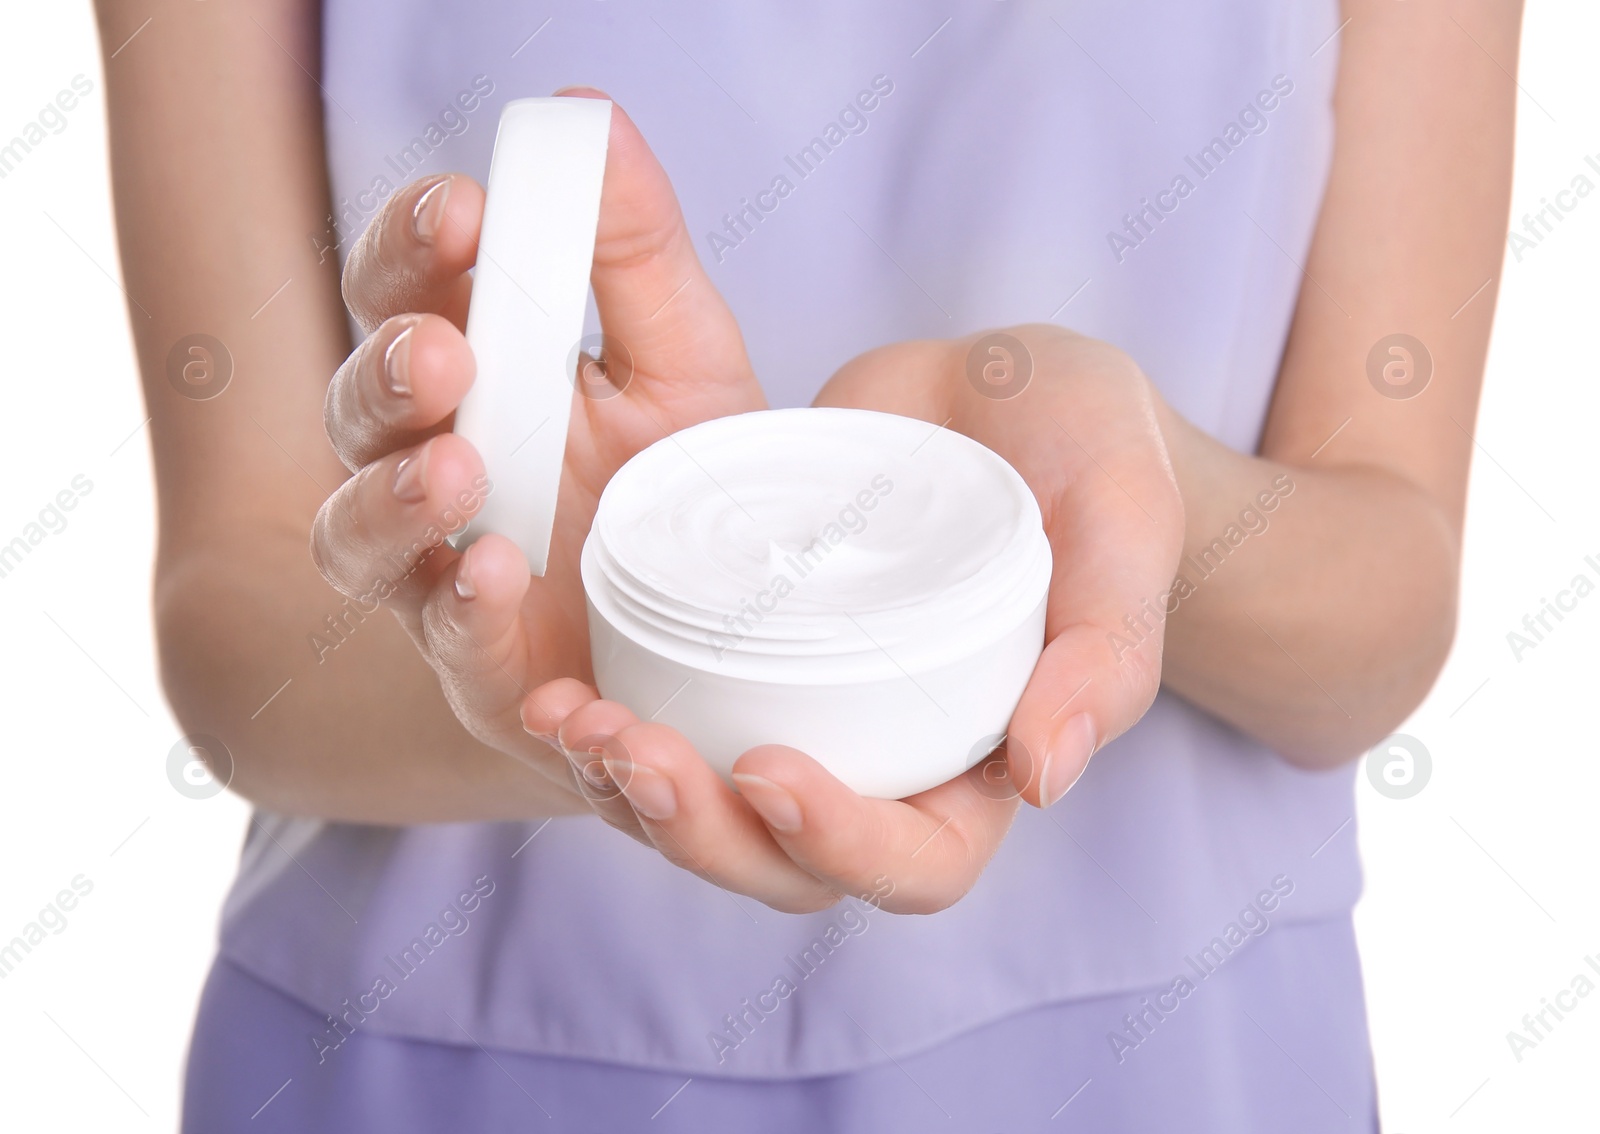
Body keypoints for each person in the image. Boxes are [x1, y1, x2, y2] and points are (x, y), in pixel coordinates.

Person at [94, 0, 1519, 1129]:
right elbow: (237, 614)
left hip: (1163, 1070)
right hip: (427, 1055)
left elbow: (1391, 588)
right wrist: (577, 640)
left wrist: (1156, 502)